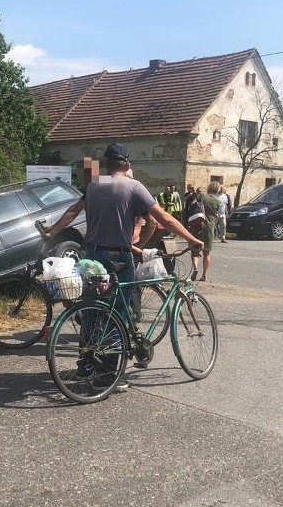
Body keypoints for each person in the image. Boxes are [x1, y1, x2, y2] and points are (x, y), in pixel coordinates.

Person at [45, 144, 203, 390]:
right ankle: (107, 378)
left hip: (91, 258)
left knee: (91, 313)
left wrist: (51, 232)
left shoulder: (94, 186)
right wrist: (192, 240)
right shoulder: (134, 187)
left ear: (106, 165)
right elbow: (164, 218)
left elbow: (72, 211)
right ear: (127, 164)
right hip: (118, 259)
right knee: (116, 315)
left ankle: (84, 367)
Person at [190, 182, 220, 281]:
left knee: (195, 250)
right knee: (206, 252)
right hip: (210, 226)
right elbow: (216, 214)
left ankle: (195, 268)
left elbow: (192, 204)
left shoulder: (202, 196)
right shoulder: (217, 201)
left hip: (199, 224)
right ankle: (204, 275)